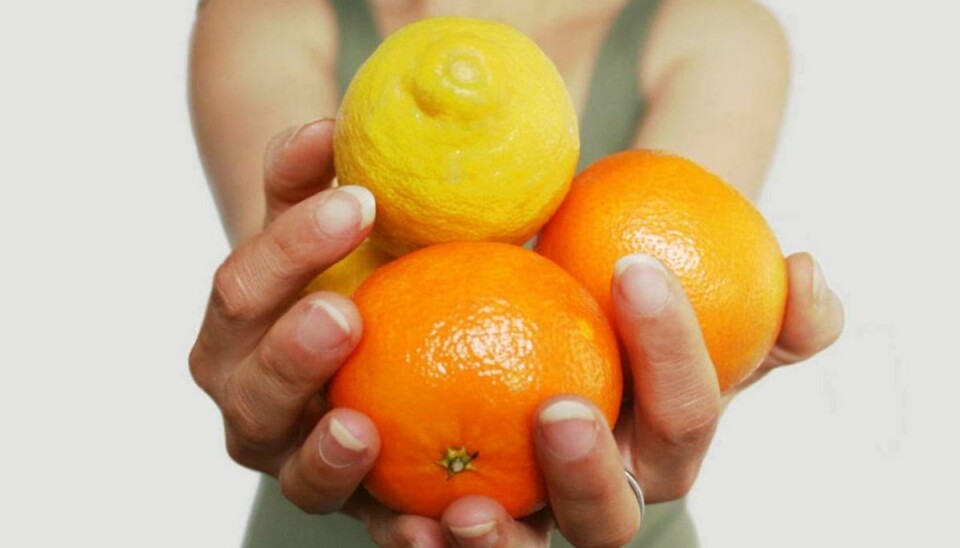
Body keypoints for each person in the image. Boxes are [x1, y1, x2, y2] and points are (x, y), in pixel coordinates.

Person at [187, 0, 845, 546]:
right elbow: (290, 295)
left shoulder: (718, 30)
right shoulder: (266, 13)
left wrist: (706, 366)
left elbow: (691, 279)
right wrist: (265, 360)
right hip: (334, 505)